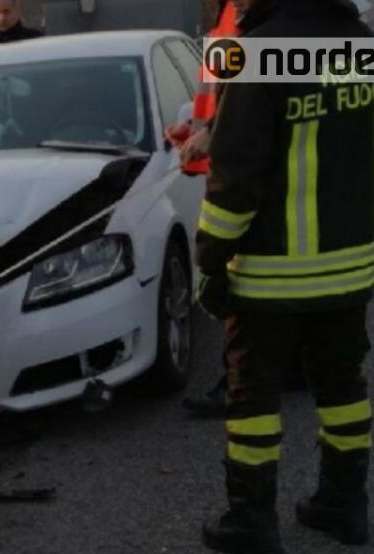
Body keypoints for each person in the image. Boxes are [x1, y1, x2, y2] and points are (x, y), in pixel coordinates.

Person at [196, 0, 374, 554]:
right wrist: (356, 224)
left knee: (254, 393)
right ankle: (343, 504)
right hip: (350, 266)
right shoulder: (364, 44)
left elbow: (235, 176)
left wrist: (211, 260)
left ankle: (252, 521)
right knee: (342, 386)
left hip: (270, 273)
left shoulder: (258, 54)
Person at [164, 0, 243, 419]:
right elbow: (219, 98)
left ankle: (235, 382)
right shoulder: (224, 19)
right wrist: (195, 131)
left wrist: (210, 134)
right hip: (223, 159)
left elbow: (252, 93)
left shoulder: (242, 18)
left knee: (235, 280)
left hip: (237, 167)